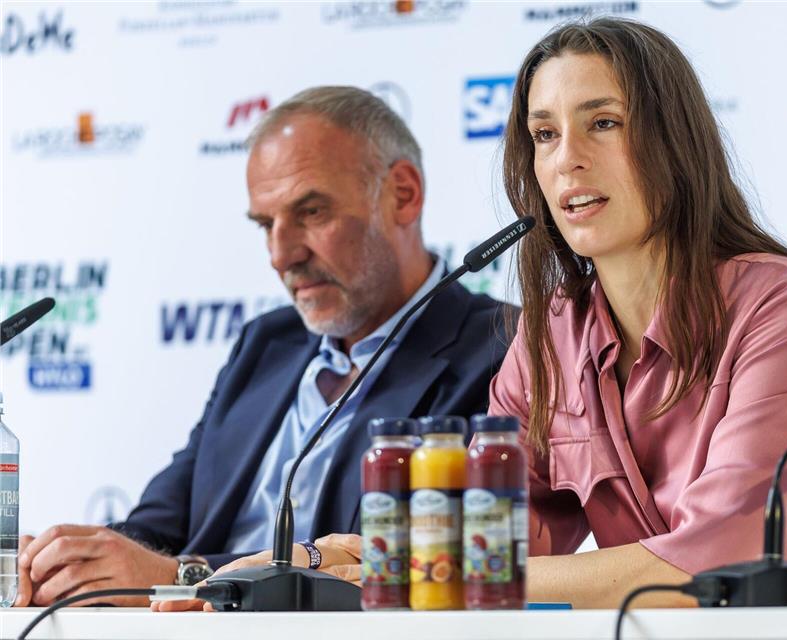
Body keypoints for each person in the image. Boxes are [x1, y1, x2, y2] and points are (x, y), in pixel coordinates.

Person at [16, 87, 511, 607]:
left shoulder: (500, 349)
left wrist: (184, 574)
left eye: (312, 212)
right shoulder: (266, 342)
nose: (281, 254)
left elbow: (389, 562)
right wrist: (71, 564)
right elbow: (154, 528)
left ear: (403, 194)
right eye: (265, 225)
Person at [486, 18, 787, 608]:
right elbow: (489, 539)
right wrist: (367, 558)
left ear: (674, 141)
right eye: (544, 134)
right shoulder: (548, 335)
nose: (567, 160)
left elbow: (726, 563)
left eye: (602, 123)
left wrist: (465, 576)